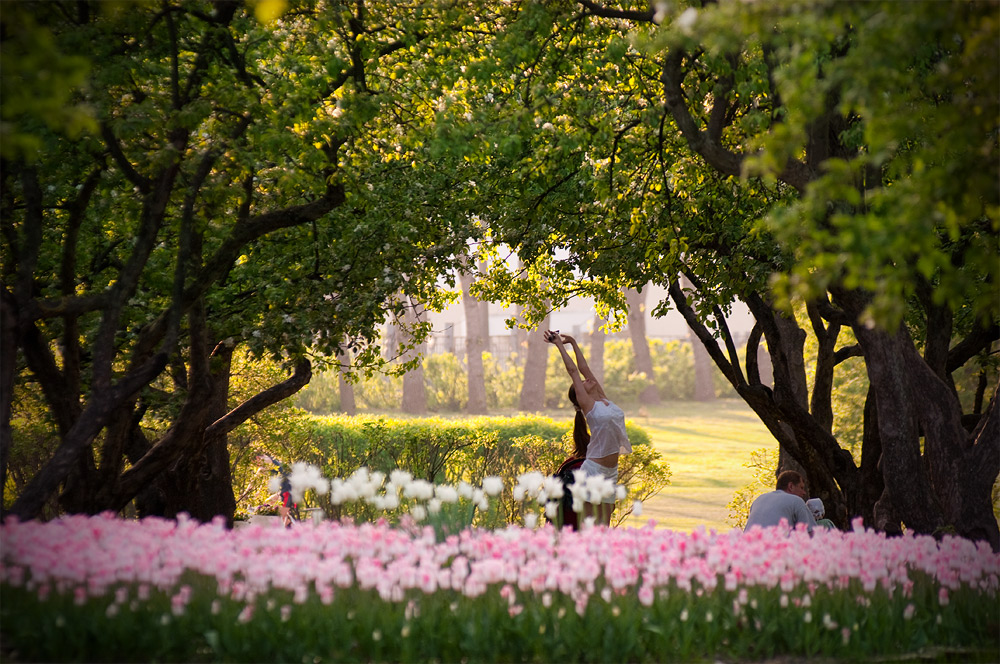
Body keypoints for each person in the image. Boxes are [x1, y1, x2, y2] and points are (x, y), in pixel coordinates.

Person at [544, 329, 631, 526]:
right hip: (593, 471)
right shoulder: (589, 406)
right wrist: (559, 345)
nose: (586, 379)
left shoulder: (602, 397)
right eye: (582, 383)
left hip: (611, 471)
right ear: (580, 394)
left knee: (604, 528)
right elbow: (573, 371)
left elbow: (583, 368)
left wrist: (573, 343)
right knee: (590, 528)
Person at [744, 469, 816, 533]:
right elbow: (811, 533)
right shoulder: (796, 501)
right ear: (790, 486)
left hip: (747, 545)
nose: (804, 492)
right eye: (801, 487)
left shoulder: (759, 499)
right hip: (774, 545)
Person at [256, 453, 298, 527]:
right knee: (267, 503)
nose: (257, 464)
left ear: (257, 458)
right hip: (283, 491)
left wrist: (255, 493)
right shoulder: (273, 460)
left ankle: (291, 529)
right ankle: (290, 523)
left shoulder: (266, 461)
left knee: (281, 519)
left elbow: (257, 478)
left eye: (255, 462)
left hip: (289, 492)